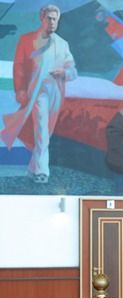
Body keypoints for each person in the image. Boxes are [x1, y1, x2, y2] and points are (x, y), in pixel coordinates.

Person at [1, 4, 77, 184]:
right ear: (41, 19)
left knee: (46, 131)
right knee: (41, 129)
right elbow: (18, 67)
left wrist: (64, 73)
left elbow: (73, 70)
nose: (52, 22)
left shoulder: (63, 44)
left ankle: (32, 168)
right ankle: (42, 170)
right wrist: (20, 89)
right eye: (49, 18)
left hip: (55, 93)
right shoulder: (26, 40)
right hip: (36, 91)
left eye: (55, 19)